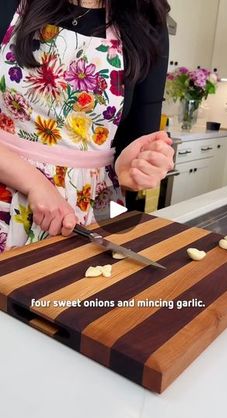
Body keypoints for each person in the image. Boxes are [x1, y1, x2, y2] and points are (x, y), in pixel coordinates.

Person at [0, 0, 174, 252]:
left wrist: (137, 166)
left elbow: (138, 141)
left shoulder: (146, 21)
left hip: (93, 213)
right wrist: (34, 183)